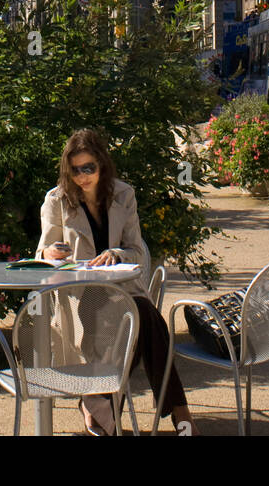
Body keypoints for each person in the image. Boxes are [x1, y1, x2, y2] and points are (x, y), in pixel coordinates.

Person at [37, 128, 198, 437]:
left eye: (89, 168)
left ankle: (100, 406)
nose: (82, 176)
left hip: (120, 290)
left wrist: (117, 253)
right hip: (80, 297)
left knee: (140, 315)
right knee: (144, 320)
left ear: (102, 165)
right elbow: (42, 253)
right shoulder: (56, 200)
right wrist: (48, 251)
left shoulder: (123, 195)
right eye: (75, 170)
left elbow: (138, 253)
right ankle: (180, 413)